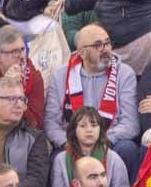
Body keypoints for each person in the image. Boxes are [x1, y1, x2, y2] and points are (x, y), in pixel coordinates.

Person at [45, 23, 141, 178]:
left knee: (128, 149)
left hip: (110, 142)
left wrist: (100, 142)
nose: (106, 49)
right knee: (56, 156)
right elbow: (51, 123)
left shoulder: (124, 73)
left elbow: (131, 124)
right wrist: (68, 143)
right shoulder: (61, 75)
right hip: (73, 143)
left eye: (107, 43)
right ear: (82, 52)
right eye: (98, 45)